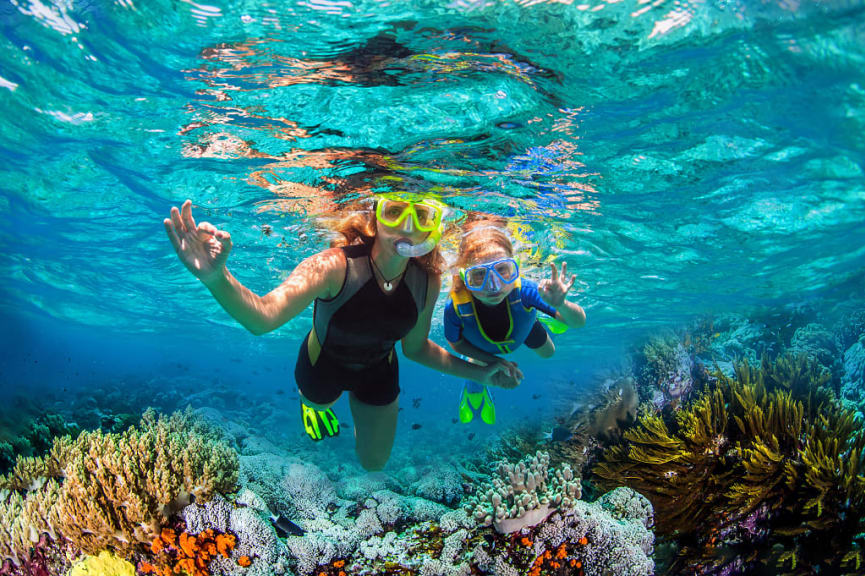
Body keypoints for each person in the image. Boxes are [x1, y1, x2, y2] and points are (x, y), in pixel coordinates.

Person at [163, 195, 520, 471]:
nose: (408, 228)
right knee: (319, 402)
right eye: (395, 212)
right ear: (375, 217)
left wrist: (482, 373)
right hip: (323, 364)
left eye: (422, 216)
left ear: (432, 227)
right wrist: (215, 277)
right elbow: (263, 318)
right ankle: (312, 405)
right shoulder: (334, 265)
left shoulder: (428, 279)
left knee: (374, 463)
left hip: (380, 369)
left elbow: (416, 349)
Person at [444, 217, 586, 425]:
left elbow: (579, 322)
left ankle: (551, 314)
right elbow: (455, 344)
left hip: (523, 328)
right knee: (478, 368)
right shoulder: (456, 307)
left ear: (516, 268)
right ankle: (475, 390)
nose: (493, 286)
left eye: (502, 270)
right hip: (481, 347)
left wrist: (561, 305)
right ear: (465, 277)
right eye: (479, 275)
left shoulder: (527, 290)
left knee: (549, 353)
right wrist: (495, 361)